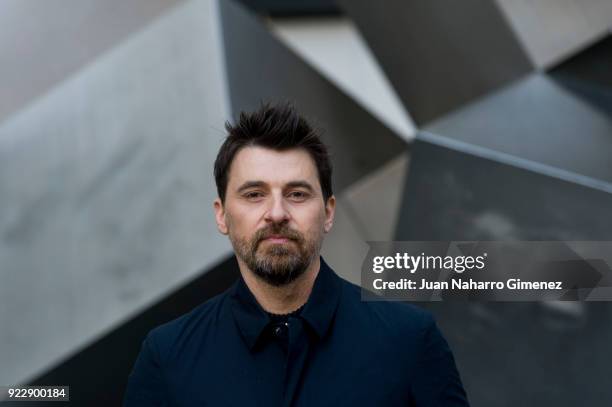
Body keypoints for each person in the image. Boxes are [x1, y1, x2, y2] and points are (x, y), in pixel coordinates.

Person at [123, 102, 470, 406]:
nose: (276, 213)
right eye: (254, 194)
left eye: (298, 194)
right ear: (221, 215)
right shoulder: (167, 357)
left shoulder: (410, 341)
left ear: (329, 212)